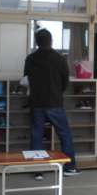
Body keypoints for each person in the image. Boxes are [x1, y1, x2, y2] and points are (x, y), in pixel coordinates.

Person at [24, 28, 81, 180]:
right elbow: (65, 82)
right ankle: (69, 168)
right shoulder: (59, 59)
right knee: (64, 134)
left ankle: (37, 171)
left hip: (36, 103)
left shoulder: (30, 59)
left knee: (36, 135)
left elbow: (26, 79)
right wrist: (56, 92)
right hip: (55, 102)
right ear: (51, 41)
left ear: (37, 42)